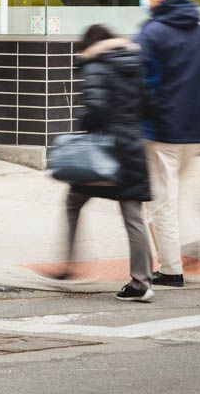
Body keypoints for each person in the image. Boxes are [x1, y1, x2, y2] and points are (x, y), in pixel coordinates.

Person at [137, 0, 200, 288]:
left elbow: (142, 82)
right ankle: (190, 240)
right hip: (196, 130)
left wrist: (140, 119)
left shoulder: (152, 33)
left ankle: (172, 269)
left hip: (163, 132)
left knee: (161, 202)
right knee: (177, 193)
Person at [59, 25, 154, 303]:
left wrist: (83, 123)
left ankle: (69, 265)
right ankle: (141, 282)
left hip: (103, 153)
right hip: (133, 147)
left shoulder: (95, 65)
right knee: (134, 217)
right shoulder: (135, 64)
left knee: (73, 203)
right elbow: (149, 105)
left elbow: (96, 109)